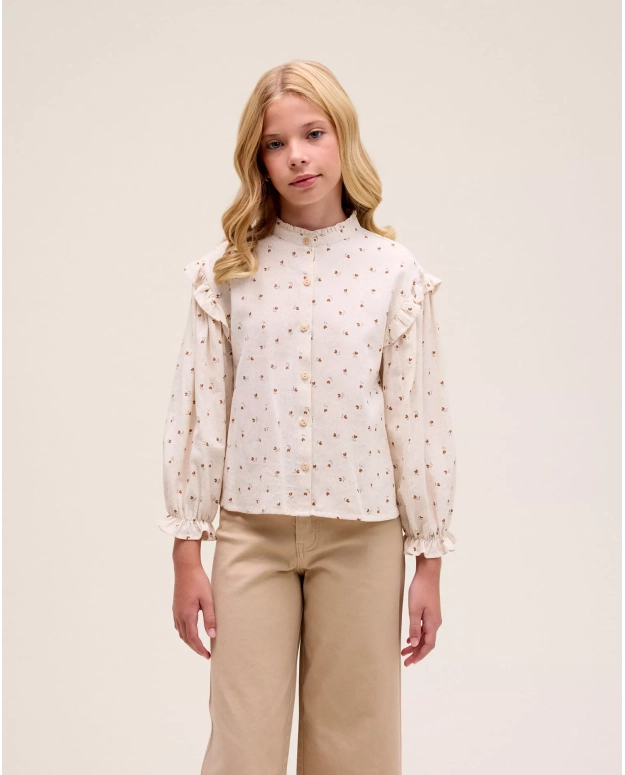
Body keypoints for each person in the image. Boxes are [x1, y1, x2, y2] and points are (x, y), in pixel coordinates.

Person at [159, 59, 457, 775]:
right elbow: (199, 413)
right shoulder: (226, 275)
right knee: (242, 746)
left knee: (357, 748)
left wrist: (429, 564)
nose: (296, 155)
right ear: (258, 160)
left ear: (342, 137)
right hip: (250, 535)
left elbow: (417, 421)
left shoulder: (393, 273)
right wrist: (186, 554)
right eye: (275, 143)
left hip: (363, 540)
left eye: (312, 134)